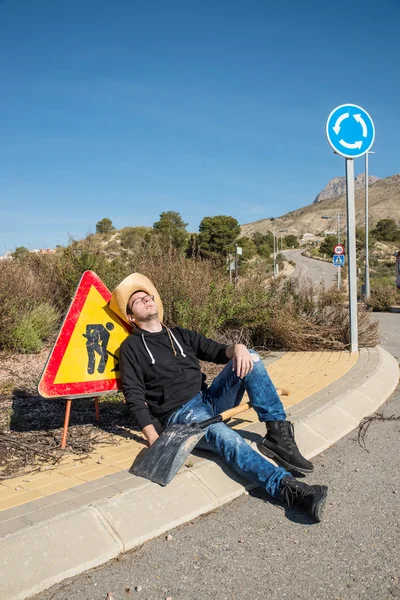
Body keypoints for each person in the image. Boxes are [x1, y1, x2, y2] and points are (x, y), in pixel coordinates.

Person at [110, 273, 328, 522]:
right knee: (229, 439)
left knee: (252, 358)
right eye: (138, 300)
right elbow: (134, 396)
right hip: (183, 415)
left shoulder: (180, 334)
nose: (147, 300)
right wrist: (153, 438)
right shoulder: (131, 347)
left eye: (148, 296)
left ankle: (277, 434)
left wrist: (239, 349)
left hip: (209, 399)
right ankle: (290, 491)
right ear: (131, 317)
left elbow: (216, 351)